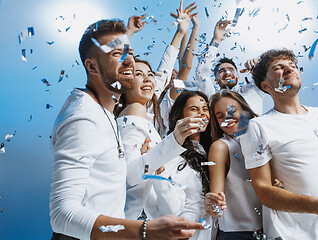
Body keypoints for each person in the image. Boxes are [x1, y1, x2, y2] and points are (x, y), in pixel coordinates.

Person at [49, 18, 203, 240]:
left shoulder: (105, 111)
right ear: (91, 66)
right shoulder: (82, 118)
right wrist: (145, 230)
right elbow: (62, 215)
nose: (130, 61)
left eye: (129, 53)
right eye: (116, 54)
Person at [240, 48, 318, 239]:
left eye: (292, 65)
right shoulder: (257, 126)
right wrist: (317, 206)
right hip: (290, 235)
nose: (288, 69)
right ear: (265, 86)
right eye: (278, 67)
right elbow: (263, 190)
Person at [116, 58, 206, 221]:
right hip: (131, 221)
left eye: (150, 74)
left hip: (148, 222)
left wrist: (158, 169)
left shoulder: (149, 125)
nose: (148, 78)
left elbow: (171, 208)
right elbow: (131, 175)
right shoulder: (135, 110)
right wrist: (175, 139)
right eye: (138, 74)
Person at [149, 90, 212, 240]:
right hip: (185, 232)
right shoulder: (171, 153)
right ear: (180, 115)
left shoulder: (209, 149)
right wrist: (160, 171)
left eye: (205, 109)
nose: (202, 114)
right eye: (194, 109)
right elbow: (170, 208)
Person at [204, 90, 262, 240]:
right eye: (220, 116)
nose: (227, 119)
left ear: (244, 109)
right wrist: (213, 205)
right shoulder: (221, 147)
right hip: (236, 234)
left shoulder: (261, 140)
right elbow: (216, 202)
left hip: (270, 229)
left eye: (232, 111)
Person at [195, 19, 264, 115]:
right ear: (215, 80)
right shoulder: (212, 97)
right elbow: (202, 73)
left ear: (238, 76)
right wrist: (216, 41)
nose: (227, 73)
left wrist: (259, 64)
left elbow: (269, 74)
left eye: (231, 70)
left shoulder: (252, 89)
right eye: (222, 71)